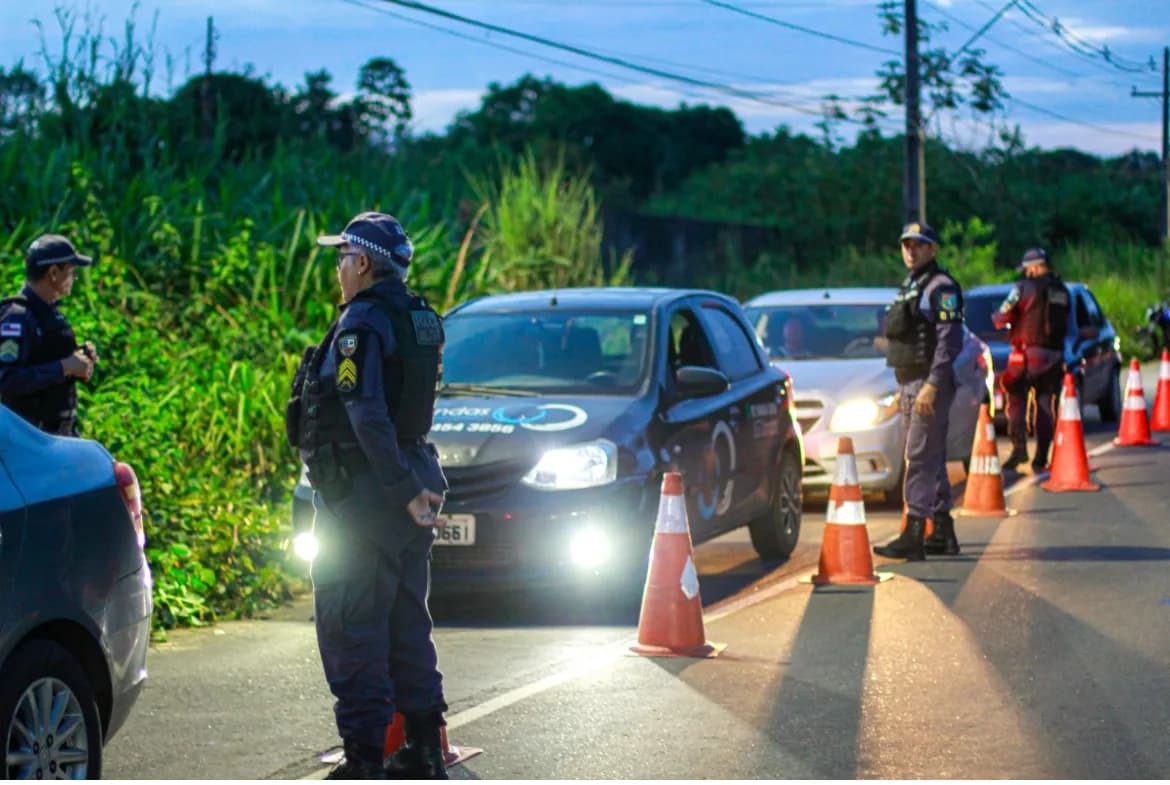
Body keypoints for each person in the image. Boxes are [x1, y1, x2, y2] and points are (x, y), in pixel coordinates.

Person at [285, 212, 450, 780]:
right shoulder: (420, 317)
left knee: (351, 627)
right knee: (407, 624)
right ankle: (425, 750)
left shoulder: (361, 323)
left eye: (340, 259)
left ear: (361, 263)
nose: (337, 270)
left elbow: (365, 414)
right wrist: (413, 487)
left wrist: (400, 490)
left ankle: (362, 762)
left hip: (365, 498)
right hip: (414, 477)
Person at [874, 222, 965, 560]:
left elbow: (949, 340)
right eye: (906, 245)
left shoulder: (942, 288)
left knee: (918, 458)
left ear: (933, 249)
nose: (911, 251)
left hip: (929, 383)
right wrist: (906, 388)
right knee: (932, 459)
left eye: (918, 245)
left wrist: (932, 384)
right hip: (911, 383)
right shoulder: (912, 285)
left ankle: (914, 533)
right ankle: (942, 531)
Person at [0, 234, 98, 435]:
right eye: (71, 271)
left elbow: (46, 357)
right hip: (29, 439)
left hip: (58, 433)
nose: (75, 278)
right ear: (53, 273)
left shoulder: (48, 313)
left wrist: (79, 361)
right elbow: (6, 379)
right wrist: (63, 367)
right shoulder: (17, 318)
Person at [990, 247, 1070, 473]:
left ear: (1034, 268)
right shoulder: (1062, 290)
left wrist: (1000, 317)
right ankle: (1041, 457)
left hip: (1026, 356)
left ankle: (1019, 450)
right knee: (1045, 404)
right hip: (1054, 356)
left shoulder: (1023, 288)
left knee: (1015, 400)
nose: (1026, 273)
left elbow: (1001, 316)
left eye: (1027, 269)